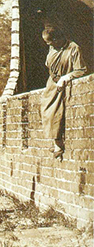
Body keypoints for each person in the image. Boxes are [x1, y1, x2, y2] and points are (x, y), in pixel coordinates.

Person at [40, 27, 86, 158]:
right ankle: (55, 141)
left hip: (62, 83)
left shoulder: (73, 48)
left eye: (50, 42)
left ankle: (58, 145)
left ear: (56, 39)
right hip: (52, 84)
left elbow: (81, 70)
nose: (49, 45)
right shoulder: (52, 48)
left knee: (56, 112)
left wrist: (66, 77)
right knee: (46, 110)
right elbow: (49, 65)